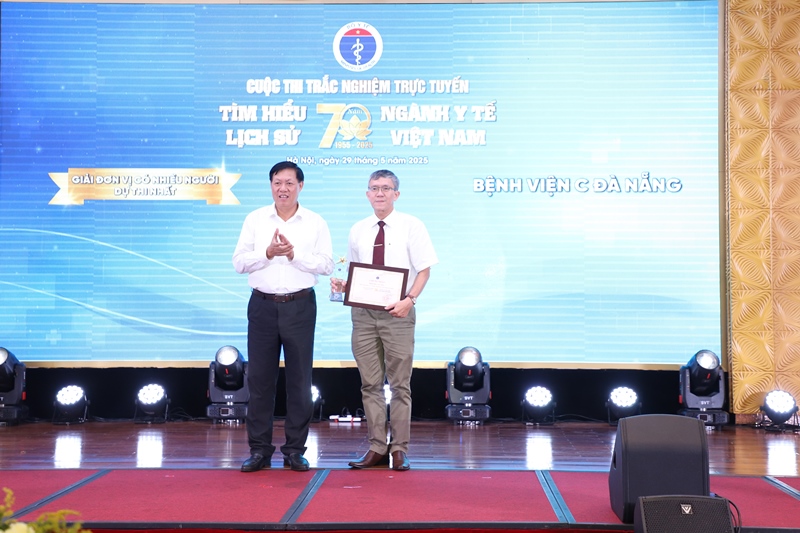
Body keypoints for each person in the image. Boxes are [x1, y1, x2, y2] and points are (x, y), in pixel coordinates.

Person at [331, 169, 437, 471]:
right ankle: (377, 447)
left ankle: (399, 448)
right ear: (367, 194)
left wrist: (409, 300)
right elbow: (355, 271)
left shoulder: (412, 226)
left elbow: (425, 270)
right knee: (370, 384)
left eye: (386, 188)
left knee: (400, 385)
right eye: (374, 188)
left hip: (398, 312)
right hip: (363, 315)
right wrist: (343, 286)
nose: (380, 193)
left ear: (396, 194)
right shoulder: (358, 229)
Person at [233, 161, 333, 472]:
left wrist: (293, 255)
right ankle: (259, 450)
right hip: (262, 305)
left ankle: (294, 451)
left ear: (300, 186)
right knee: (260, 381)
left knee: (300, 382)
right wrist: (267, 253)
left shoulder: (315, 222)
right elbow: (239, 263)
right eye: (277, 182)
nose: (283, 189)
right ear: (270, 185)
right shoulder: (255, 219)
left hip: (299, 306)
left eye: (289, 183)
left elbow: (326, 265)